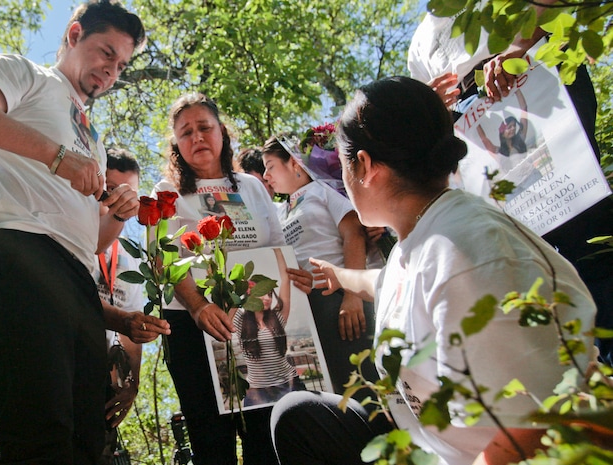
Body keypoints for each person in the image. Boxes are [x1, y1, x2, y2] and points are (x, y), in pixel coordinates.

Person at [270, 76, 597, 465]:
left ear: (365, 165)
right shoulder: (425, 239)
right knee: (299, 416)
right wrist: (342, 278)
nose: (339, 180)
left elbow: (537, 428)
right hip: (432, 450)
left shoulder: (469, 254)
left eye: (339, 165)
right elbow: (391, 282)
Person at [0, 2, 169, 463]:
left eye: (121, 65)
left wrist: (117, 211)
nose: (111, 71)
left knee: (84, 443)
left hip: (75, 284)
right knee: (41, 435)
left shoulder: (92, 137)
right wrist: (56, 156)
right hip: (13, 256)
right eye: (104, 53)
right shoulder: (26, 74)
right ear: (74, 34)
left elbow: (88, 247)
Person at [408, 1, 613, 365]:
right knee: (525, 259)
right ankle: (577, 379)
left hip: (534, 88)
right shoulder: (419, 44)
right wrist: (431, 105)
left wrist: (518, 49)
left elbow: (552, 9)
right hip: (473, 134)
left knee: (585, 229)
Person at [152, 92, 310, 465]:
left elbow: (274, 246)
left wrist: (294, 276)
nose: (197, 137)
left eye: (204, 127)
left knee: (266, 432)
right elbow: (164, 257)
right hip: (194, 326)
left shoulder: (252, 186)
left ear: (222, 132)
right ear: (177, 143)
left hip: (256, 323)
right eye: (185, 132)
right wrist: (198, 305)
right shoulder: (167, 192)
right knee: (211, 440)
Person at [262, 136, 379, 395]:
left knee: (364, 387)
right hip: (307, 311)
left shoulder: (322, 190)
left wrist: (352, 296)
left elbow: (354, 235)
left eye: (270, 166)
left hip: (341, 303)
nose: (265, 175)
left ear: (293, 163)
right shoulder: (278, 212)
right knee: (335, 392)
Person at [96, 149, 144, 464]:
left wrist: (132, 384)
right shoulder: (67, 239)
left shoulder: (132, 259)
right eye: (112, 190)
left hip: (104, 394)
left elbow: (132, 328)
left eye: (130, 193)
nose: (121, 201)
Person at [231, 248, 305, 407]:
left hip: (289, 385)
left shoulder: (278, 317)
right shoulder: (240, 320)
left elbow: (285, 280)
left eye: (270, 294)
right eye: (262, 293)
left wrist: (277, 249)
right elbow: (229, 301)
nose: (267, 298)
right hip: (257, 391)